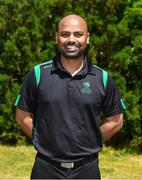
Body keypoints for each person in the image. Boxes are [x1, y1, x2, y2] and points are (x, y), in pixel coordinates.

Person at [15, 14, 126, 179]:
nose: (71, 40)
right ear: (57, 38)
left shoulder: (102, 78)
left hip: (87, 169)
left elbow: (116, 121)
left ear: (87, 38)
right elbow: (22, 116)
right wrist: (43, 139)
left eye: (78, 34)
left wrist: (92, 137)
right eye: (65, 34)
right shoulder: (38, 74)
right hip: (46, 168)